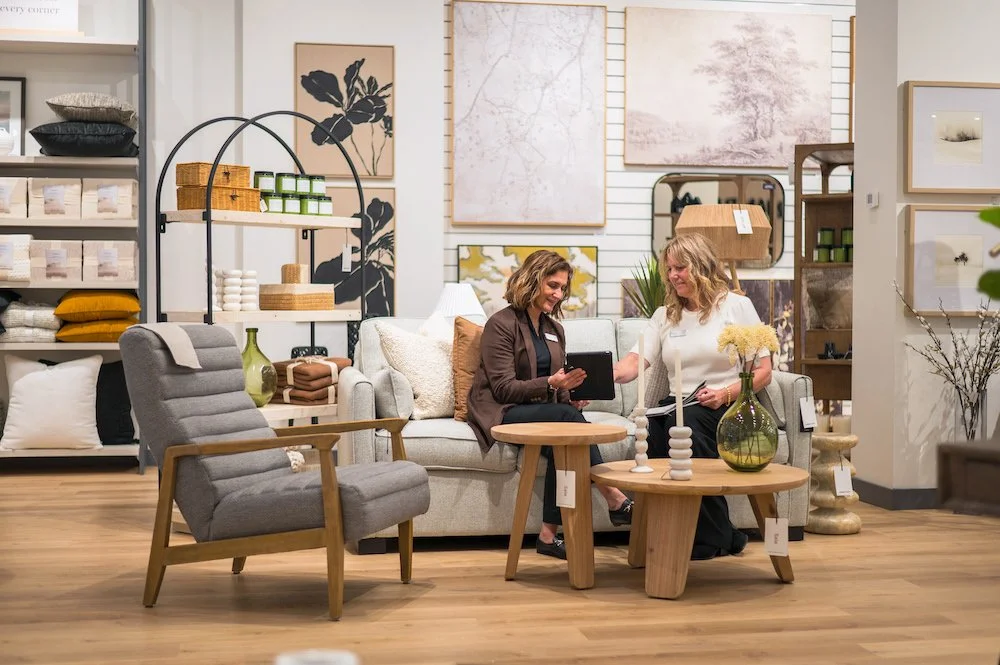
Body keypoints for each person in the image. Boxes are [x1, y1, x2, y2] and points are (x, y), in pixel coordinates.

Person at [613, 232, 773, 560]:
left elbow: (764, 371)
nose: (673, 276)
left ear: (701, 266)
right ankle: (719, 535)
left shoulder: (736, 306)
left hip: (726, 405)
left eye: (680, 268)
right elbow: (634, 362)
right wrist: (601, 377)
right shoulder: (665, 315)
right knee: (660, 427)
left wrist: (725, 393)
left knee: (684, 429)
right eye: (669, 269)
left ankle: (704, 538)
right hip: (678, 405)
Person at [466, 250, 633, 560]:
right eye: (552, 286)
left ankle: (547, 536)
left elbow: (554, 388)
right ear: (532, 280)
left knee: (566, 439)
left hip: (543, 411)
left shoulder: (554, 329)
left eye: (562, 288)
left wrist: (570, 395)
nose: (558, 295)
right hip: (502, 411)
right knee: (565, 421)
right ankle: (614, 497)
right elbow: (503, 389)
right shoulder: (500, 324)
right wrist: (553, 385)